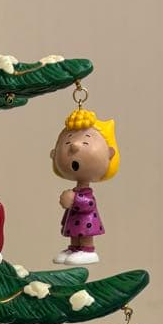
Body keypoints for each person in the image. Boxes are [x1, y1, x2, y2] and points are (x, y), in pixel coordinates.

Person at [50, 107, 119, 265]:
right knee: (75, 233)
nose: (74, 145)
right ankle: (74, 248)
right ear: (53, 154)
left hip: (86, 220)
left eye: (86, 141)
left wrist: (74, 199)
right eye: (67, 141)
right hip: (75, 219)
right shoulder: (76, 190)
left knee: (84, 232)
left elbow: (89, 204)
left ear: (109, 153)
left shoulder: (85, 194)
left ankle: (88, 249)